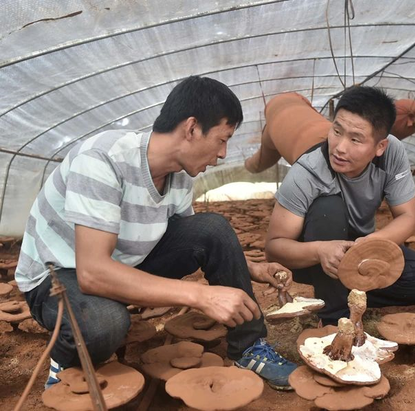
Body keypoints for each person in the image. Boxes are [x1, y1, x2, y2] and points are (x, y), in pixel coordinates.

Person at [15, 76, 297, 390]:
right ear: (191, 129)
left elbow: (195, 239)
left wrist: (252, 269)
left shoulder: (179, 175)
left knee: (212, 228)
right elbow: (92, 272)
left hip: (123, 262)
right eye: (222, 139)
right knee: (105, 324)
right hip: (59, 274)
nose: (222, 154)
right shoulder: (102, 160)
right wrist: (200, 295)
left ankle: (248, 348)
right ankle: (66, 359)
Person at [265, 86, 415, 326]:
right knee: (328, 208)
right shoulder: (306, 172)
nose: (340, 147)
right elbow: (275, 247)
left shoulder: (392, 154)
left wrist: (371, 244)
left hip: (359, 245)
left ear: (380, 147)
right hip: (315, 253)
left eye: (355, 139)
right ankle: (333, 316)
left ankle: (348, 292)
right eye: (336, 131)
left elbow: (407, 217)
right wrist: (320, 250)